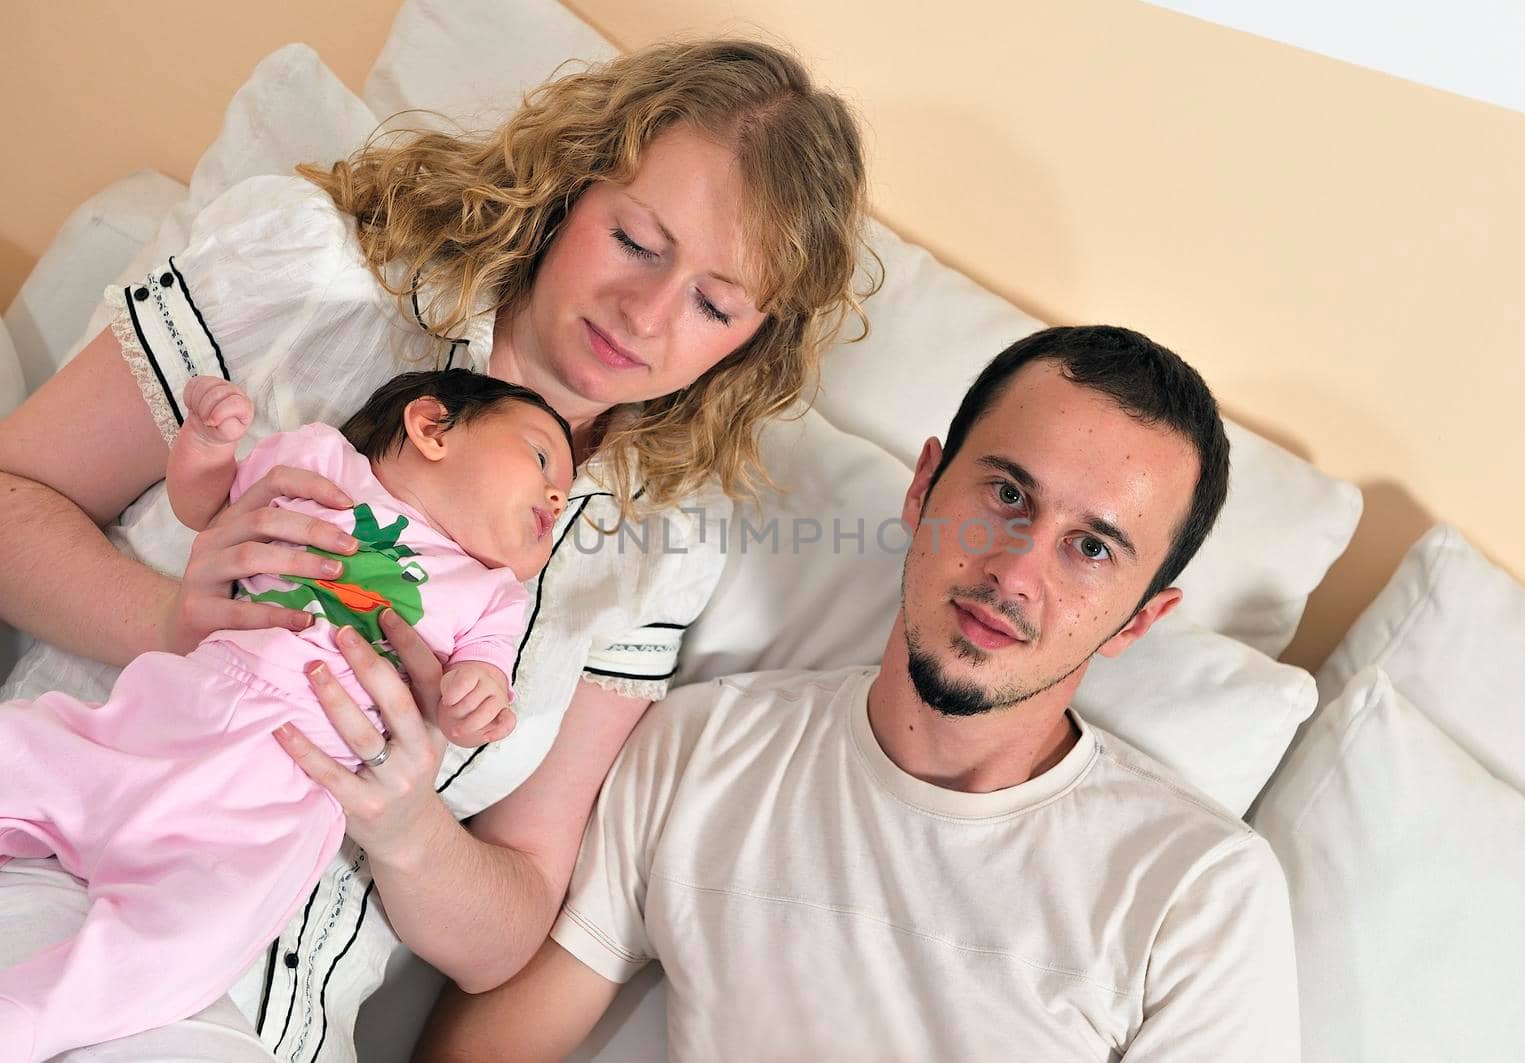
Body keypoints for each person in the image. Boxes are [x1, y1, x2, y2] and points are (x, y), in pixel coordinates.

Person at [0, 38, 871, 1062]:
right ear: (571, 186)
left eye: (715, 304)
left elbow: (510, 926)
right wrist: (167, 618)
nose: (645, 317)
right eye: (637, 241)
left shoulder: (651, 546)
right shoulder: (315, 279)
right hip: (50, 836)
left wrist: (407, 820)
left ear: (751, 343)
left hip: (245, 1011)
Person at [417, 326, 1302, 1062]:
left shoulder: (1197, 891)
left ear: (1143, 618)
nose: (1015, 571)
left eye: (1093, 548)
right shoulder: (706, 745)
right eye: (1005, 493)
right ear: (924, 486)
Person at [0, 369, 575, 1062]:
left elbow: (476, 681)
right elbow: (209, 506)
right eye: (542, 458)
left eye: (564, 497)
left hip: (276, 795)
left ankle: (28, 1017)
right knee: (25, 752)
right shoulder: (324, 463)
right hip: (168, 713)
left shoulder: (493, 597)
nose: (554, 493)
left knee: (188, 943)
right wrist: (209, 448)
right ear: (432, 427)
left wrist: (478, 700)